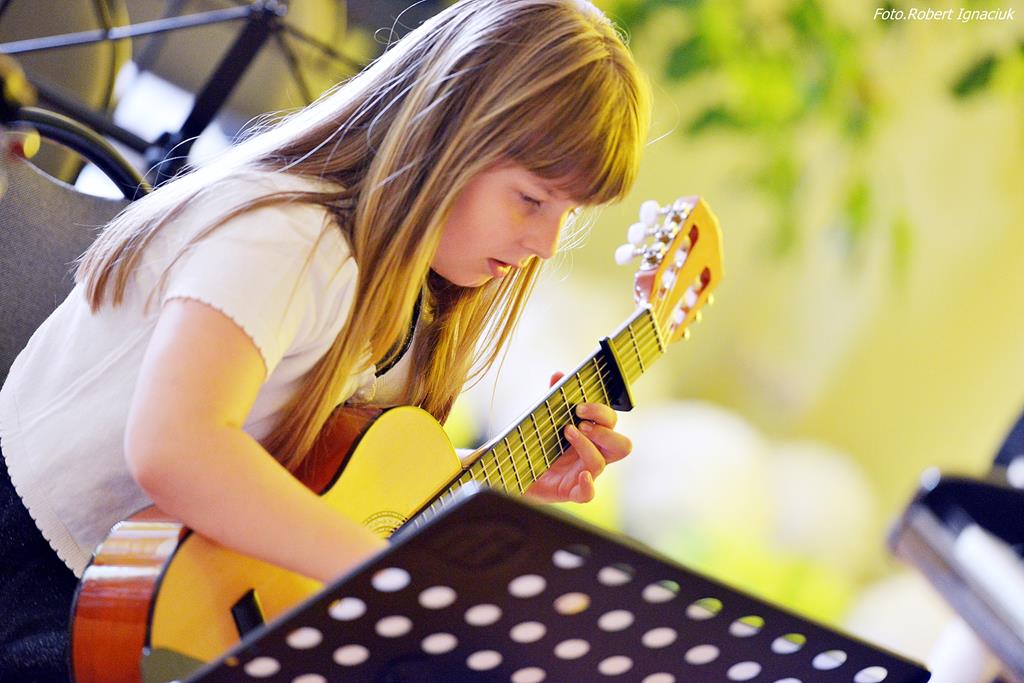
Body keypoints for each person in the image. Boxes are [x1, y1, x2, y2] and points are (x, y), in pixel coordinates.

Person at [0, 0, 650, 678]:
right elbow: (175, 448)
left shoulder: (414, 290)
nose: (547, 243)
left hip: (155, 595)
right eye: (531, 199)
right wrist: (395, 576)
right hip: (41, 585)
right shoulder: (288, 236)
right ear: (445, 133)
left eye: (568, 214)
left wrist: (489, 475)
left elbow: (325, 477)